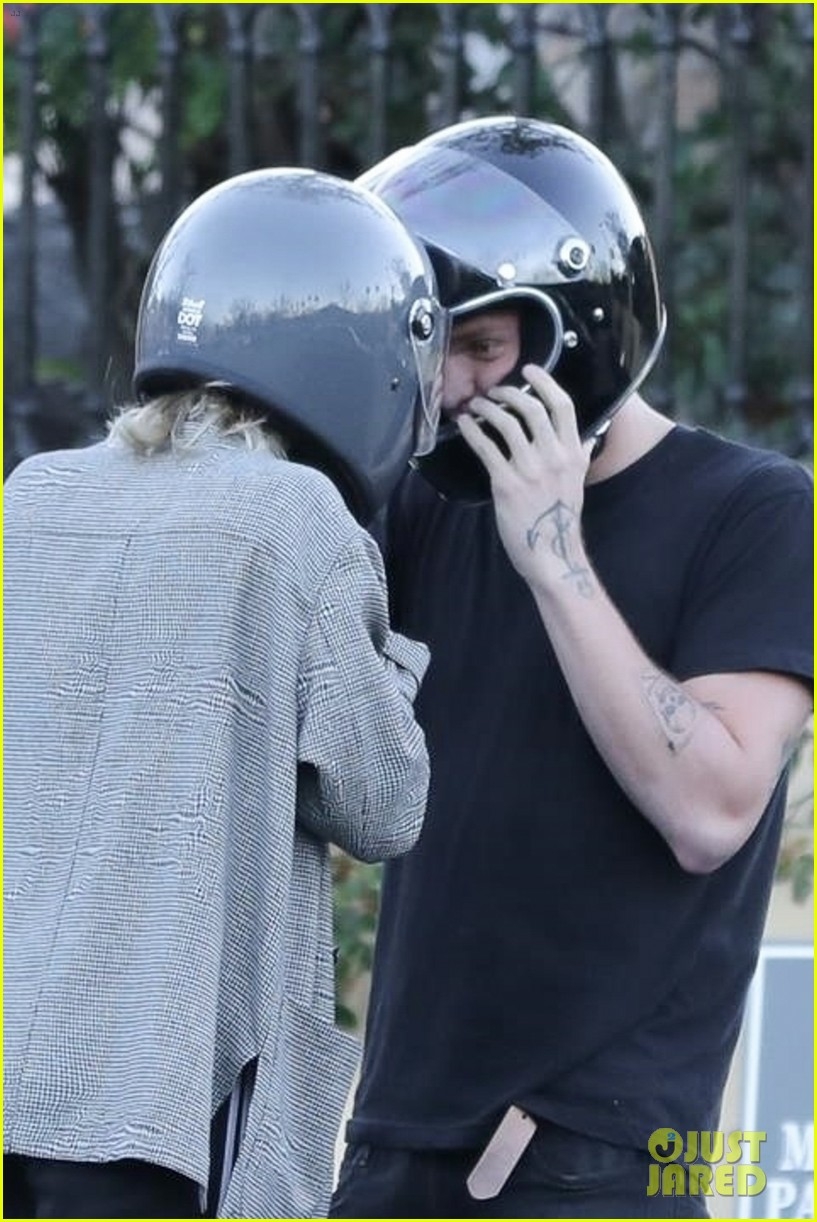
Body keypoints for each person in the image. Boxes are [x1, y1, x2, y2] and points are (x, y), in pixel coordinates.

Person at [329, 117, 814, 1219]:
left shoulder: (753, 509)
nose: (453, 388)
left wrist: (551, 551)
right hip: (394, 1135)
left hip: (592, 1158)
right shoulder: (428, 505)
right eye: (435, 351)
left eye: (483, 348)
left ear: (576, 332)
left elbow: (709, 810)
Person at [3, 167, 447, 1219]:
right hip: (154, 1094)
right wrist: (389, 662)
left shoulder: (31, 497)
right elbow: (384, 806)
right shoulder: (296, 521)